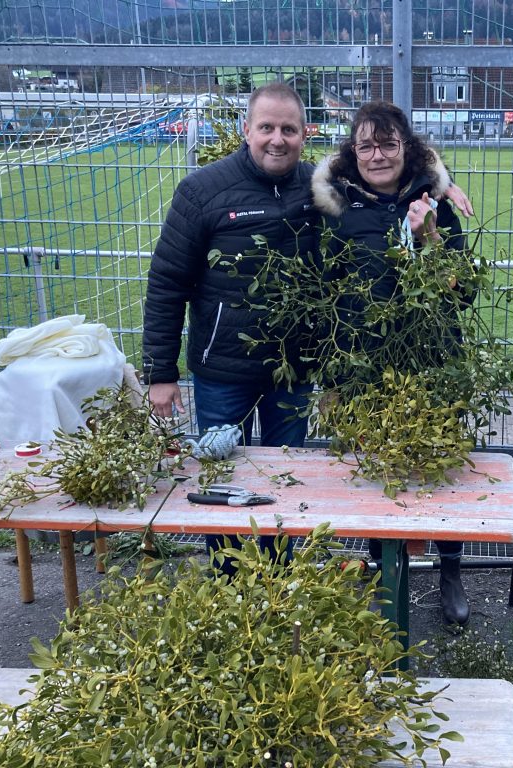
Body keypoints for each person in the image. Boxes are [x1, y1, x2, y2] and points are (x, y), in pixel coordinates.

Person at [142, 82, 319, 570]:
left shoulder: (322, 187)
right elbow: (167, 283)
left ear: (305, 133)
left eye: (289, 129)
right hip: (223, 371)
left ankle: (278, 578)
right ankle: (227, 582)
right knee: (220, 480)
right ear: (246, 130)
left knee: (284, 480)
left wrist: (440, 184)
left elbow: (388, 169)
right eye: (266, 127)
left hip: (293, 370)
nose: (277, 139)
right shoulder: (202, 191)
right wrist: (160, 372)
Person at [311, 100, 472, 626]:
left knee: (441, 465)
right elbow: (325, 293)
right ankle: (383, 569)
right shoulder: (337, 211)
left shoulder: (435, 203)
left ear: (407, 147)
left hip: (432, 360)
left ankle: (451, 570)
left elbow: (463, 292)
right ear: (352, 152)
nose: (377, 155)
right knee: (374, 468)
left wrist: (430, 235)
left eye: (387, 144)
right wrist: (334, 371)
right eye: (366, 146)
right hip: (364, 366)